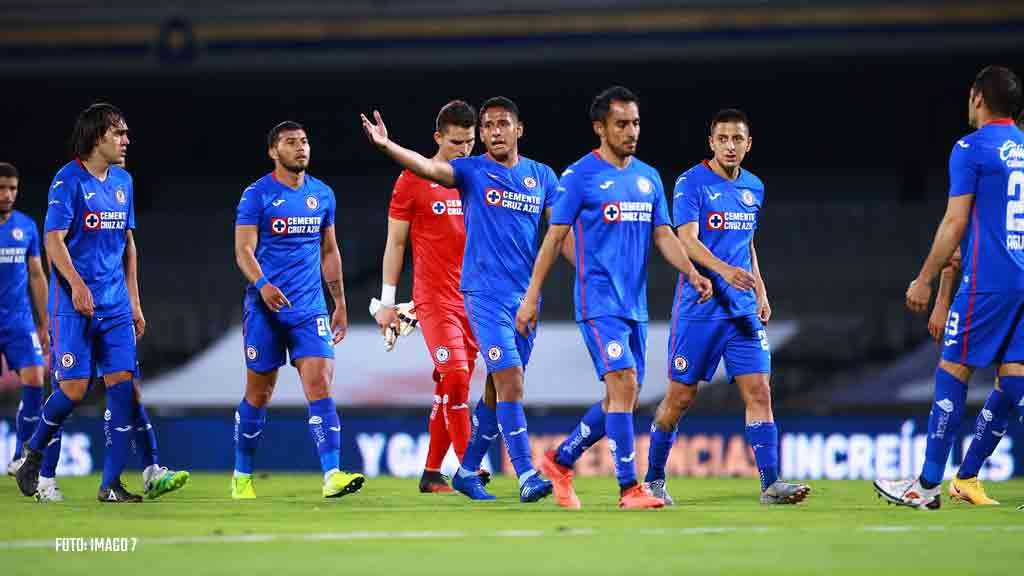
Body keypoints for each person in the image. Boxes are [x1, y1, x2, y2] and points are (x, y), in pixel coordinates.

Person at [362, 97, 572, 502]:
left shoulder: (538, 176)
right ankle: (521, 472)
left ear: (518, 129)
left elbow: (560, 234)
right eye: (483, 128)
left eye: (496, 127)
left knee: (490, 385)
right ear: (440, 137)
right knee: (473, 376)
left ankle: (452, 469)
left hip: (517, 297)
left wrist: (590, 273)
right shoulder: (462, 173)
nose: (472, 144)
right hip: (465, 297)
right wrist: (388, 147)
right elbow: (400, 231)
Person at [516, 86, 712, 509]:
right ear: (599, 127)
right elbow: (553, 240)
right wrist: (531, 296)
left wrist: (692, 272)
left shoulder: (648, 178)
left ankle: (560, 460)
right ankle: (629, 488)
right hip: (597, 301)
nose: (632, 131)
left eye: (636, 123)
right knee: (622, 386)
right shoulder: (578, 177)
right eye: (622, 123)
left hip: (635, 308)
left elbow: (663, 234)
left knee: (620, 398)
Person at [16, 103, 189, 503]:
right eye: (119, 133)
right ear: (97, 137)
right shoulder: (67, 181)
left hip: (114, 306)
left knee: (123, 388)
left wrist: (135, 301)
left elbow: (128, 245)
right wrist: (76, 284)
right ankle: (34, 451)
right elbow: (53, 241)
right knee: (73, 390)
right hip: (72, 305)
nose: (127, 140)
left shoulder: (123, 182)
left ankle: (110, 484)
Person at [642, 109, 810, 505]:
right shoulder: (691, 182)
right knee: (680, 399)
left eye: (738, 139)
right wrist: (724, 271)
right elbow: (686, 240)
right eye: (723, 138)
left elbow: (748, 242)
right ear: (711, 142)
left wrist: (761, 289)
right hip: (700, 307)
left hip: (742, 310)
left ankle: (770, 484)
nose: (731, 146)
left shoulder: (755, 187)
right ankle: (652, 479)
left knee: (760, 393)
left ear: (748, 144)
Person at [875, 66, 1024, 509]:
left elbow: (955, 222)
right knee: (1015, 383)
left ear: (978, 97)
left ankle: (926, 484)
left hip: (988, 283)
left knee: (952, 372)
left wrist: (924, 279)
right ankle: (968, 478)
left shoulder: (971, 148)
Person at [232, 121, 363, 500]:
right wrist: (263, 285)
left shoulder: (322, 194)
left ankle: (332, 475)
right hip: (265, 310)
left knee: (320, 383)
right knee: (259, 393)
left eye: (304, 141)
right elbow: (243, 249)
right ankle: (242, 475)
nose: (301, 148)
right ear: (274, 151)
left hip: (310, 309)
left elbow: (329, 251)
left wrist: (339, 302)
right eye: (291, 143)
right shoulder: (256, 195)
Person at [375, 101, 490, 493]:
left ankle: (430, 474)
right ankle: (469, 468)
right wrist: (387, 301)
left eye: (470, 142)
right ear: (438, 138)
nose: (464, 150)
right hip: (435, 299)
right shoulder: (412, 180)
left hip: (474, 300)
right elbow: (395, 243)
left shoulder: (481, 177)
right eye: (456, 142)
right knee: (457, 378)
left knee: (449, 387)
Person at [0, 162, 61, 501]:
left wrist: (44, 320)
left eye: (12, 188)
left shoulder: (26, 226)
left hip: (19, 321)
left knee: (37, 379)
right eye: (2, 188)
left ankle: (21, 455)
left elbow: (37, 275)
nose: (7, 194)